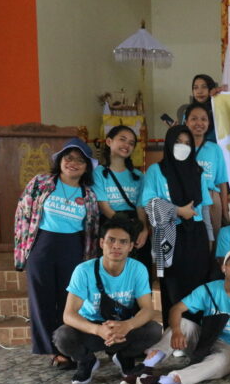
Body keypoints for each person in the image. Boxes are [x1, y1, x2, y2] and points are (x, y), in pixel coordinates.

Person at [134, 245, 230, 384]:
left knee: (220, 362)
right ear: (224, 267)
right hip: (203, 341)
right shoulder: (209, 289)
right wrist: (177, 331)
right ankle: (145, 367)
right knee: (183, 323)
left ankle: (161, 382)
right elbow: (176, 309)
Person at [14, 137, 100, 369]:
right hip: (41, 246)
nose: (73, 163)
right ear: (60, 160)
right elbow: (22, 215)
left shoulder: (89, 195)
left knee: (68, 301)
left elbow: (92, 231)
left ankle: (68, 347)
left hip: (72, 249)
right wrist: (21, 252)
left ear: (87, 167)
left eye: (80, 160)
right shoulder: (40, 183)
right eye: (68, 158)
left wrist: (89, 261)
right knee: (41, 299)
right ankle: (53, 351)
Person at [53, 216, 162, 384]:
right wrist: (98, 330)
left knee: (154, 330)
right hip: (92, 330)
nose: (116, 246)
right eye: (111, 240)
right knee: (62, 336)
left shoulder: (138, 269)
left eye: (123, 242)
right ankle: (87, 361)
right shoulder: (83, 270)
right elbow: (69, 315)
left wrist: (127, 325)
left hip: (122, 329)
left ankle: (125, 357)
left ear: (130, 246)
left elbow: (148, 310)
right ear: (102, 243)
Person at [140, 125, 214, 328]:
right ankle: (174, 334)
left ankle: (194, 334)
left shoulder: (197, 171)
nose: (183, 146)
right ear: (169, 143)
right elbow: (149, 203)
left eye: (187, 143)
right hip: (168, 235)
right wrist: (178, 211)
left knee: (197, 287)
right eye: (178, 142)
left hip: (196, 236)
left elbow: (205, 209)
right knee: (172, 286)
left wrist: (210, 239)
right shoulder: (156, 171)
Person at [92, 125, 151, 273]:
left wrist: (144, 230)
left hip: (134, 226)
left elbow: (140, 207)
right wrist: (126, 228)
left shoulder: (138, 176)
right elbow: (104, 207)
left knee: (138, 270)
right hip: (110, 224)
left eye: (131, 143)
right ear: (109, 141)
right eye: (122, 140)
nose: (126, 145)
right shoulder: (98, 173)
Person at [185, 102, 228, 235]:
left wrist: (225, 211)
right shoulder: (180, 148)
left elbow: (222, 182)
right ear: (186, 122)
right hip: (186, 199)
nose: (199, 123)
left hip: (211, 199)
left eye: (203, 119)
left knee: (212, 238)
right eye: (194, 119)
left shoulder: (215, 149)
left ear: (209, 123)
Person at [181, 74, 221, 142]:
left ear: (211, 89)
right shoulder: (188, 112)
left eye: (204, 87)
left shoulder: (219, 110)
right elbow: (185, 137)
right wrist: (176, 131)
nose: (199, 91)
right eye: (195, 88)